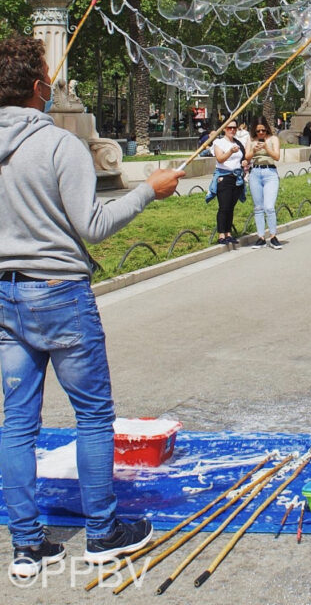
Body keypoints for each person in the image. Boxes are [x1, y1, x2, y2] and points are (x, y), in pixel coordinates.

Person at [0, 35, 182, 576]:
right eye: (47, 80)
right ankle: (103, 533)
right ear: (38, 88)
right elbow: (93, 225)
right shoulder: (59, 145)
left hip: (5, 295)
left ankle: (28, 547)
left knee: (16, 423)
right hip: (59, 294)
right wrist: (150, 189)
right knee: (94, 416)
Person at [245, 116, 282, 249]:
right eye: (258, 131)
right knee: (258, 207)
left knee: (269, 207)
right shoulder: (251, 140)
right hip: (255, 172)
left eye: (263, 130)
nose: (261, 133)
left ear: (267, 129)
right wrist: (253, 150)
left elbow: (277, 157)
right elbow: (247, 157)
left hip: (270, 173)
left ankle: (273, 236)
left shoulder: (273, 139)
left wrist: (266, 147)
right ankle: (261, 237)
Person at [210, 121, 247, 245]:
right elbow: (220, 159)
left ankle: (228, 233)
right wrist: (230, 152)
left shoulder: (238, 143)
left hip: (237, 177)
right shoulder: (219, 143)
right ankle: (221, 234)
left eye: (234, 128)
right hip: (224, 177)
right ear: (224, 129)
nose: (232, 130)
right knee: (224, 206)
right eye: (229, 128)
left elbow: (243, 158)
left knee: (231, 207)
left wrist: (244, 163)